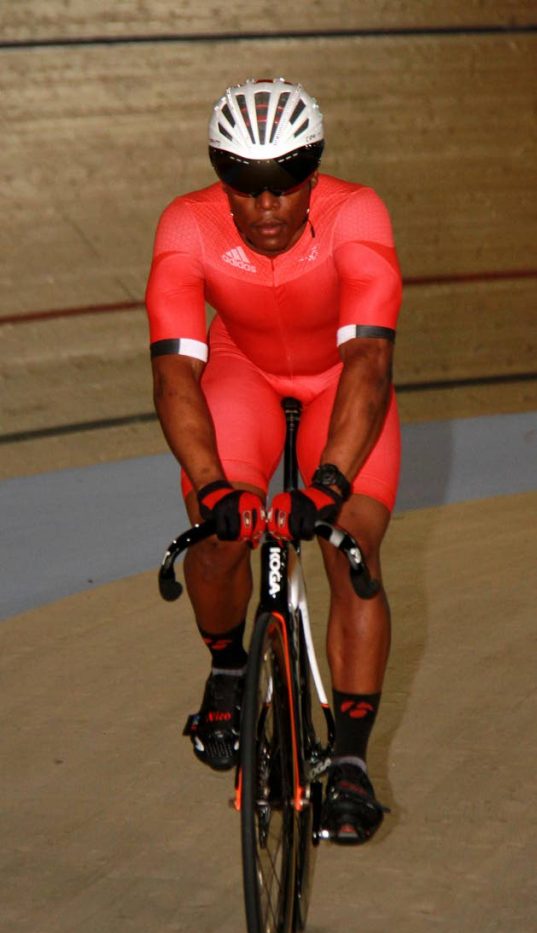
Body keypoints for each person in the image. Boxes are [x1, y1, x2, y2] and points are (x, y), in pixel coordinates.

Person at [146, 78, 402, 844]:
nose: (266, 209)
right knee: (217, 529)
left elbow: (367, 364)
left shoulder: (356, 214)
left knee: (351, 540)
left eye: (285, 188)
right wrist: (213, 484)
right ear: (219, 179)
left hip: (337, 381)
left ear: (313, 175)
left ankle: (350, 762)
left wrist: (325, 484)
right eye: (245, 190)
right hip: (242, 373)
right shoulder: (186, 227)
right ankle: (228, 666)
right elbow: (174, 377)